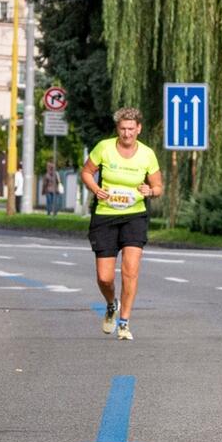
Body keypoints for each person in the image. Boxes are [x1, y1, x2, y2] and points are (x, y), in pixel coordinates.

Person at [79, 107, 163, 341]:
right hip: (105, 216)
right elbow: (86, 172)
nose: (127, 134)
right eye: (123, 129)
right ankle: (110, 304)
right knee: (104, 277)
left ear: (139, 129)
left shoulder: (147, 154)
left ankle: (124, 322)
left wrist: (150, 191)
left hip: (134, 216)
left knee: (130, 270)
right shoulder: (105, 148)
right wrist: (96, 189)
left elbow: (157, 186)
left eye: (131, 129)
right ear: (118, 129)